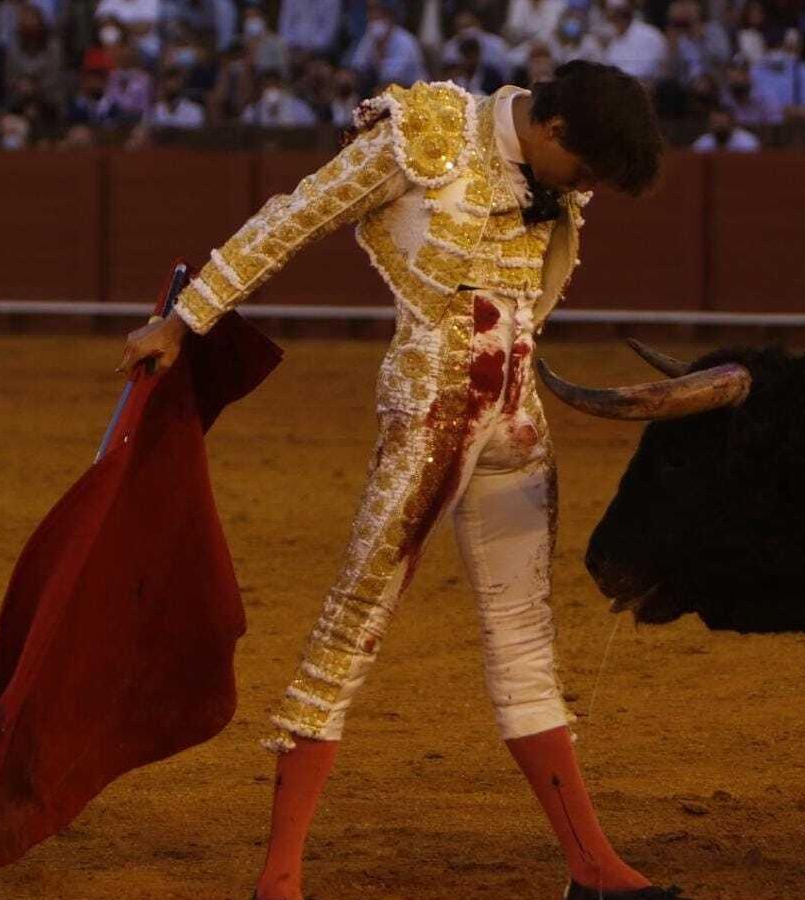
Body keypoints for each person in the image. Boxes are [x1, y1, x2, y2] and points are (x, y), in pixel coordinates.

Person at [115, 62, 681, 900]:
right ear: (554, 131)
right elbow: (292, 220)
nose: (586, 190)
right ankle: (279, 879)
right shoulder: (424, 137)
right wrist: (184, 318)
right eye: (587, 171)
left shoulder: (556, 170)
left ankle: (591, 870)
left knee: (527, 645)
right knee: (349, 632)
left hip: (517, 423)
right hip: (427, 419)